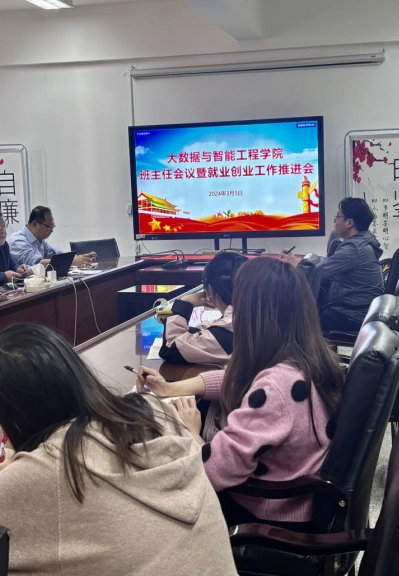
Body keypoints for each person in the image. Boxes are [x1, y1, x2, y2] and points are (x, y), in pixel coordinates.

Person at [0, 324, 237, 576]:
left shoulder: (51, 471)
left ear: (14, 415)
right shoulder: (156, 411)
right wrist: (26, 466)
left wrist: (20, 473)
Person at [137, 257, 345, 527]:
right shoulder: (308, 355)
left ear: (252, 315)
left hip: (266, 515)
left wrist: (191, 432)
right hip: (293, 496)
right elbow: (235, 378)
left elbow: (212, 471)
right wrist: (170, 388)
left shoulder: (275, 388)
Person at [283, 197, 383, 334]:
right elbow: (328, 264)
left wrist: (294, 263)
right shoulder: (362, 242)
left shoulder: (355, 248)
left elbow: (317, 272)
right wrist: (297, 261)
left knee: (294, 320)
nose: (335, 220)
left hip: (352, 315)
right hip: (359, 309)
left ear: (349, 222)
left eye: (338, 216)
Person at [159, 251, 248, 367]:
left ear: (210, 289)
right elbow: (212, 332)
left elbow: (170, 348)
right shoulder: (250, 314)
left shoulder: (228, 332)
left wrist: (185, 302)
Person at [7, 206, 97, 268]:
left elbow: (56, 254)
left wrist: (79, 258)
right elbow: (37, 264)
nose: (51, 230)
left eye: (53, 226)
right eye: (49, 226)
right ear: (34, 224)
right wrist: (71, 261)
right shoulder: (17, 240)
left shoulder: (39, 240)